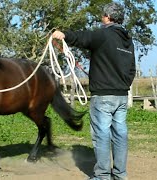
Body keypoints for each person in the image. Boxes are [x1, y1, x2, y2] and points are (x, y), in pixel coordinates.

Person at [52, 2, 136, 180]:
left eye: (102, 16)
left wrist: (64, 34)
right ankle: (120, 175)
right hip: (121, 96)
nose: (101, 18)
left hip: (103, 96)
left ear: (107, 17)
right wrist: (122, 85)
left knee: (102, 134)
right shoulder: (128, 41)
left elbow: (83, 37)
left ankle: (102, 176)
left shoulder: (103, 34)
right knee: (120, 133)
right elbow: (132, 70)